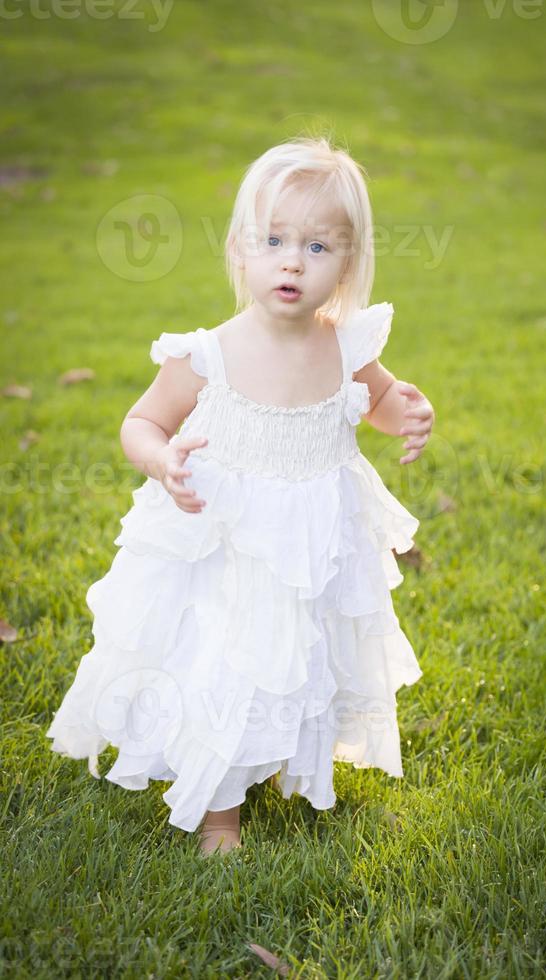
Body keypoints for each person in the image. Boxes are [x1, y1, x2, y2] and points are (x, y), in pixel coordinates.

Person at [45, 135, 435, 857]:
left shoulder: (349, 345)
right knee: (227, 659)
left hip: (314, 539)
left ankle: (288, 755)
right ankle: (218, 813)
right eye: (274, 240)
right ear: (239, 250)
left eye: (319, 247)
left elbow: (377, 401)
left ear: (347, 264)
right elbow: (139, 422)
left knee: (302, 652)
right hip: (228, 538)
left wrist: (407, 412)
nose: (293, 260)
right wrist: (164, 460)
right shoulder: (207, 355)